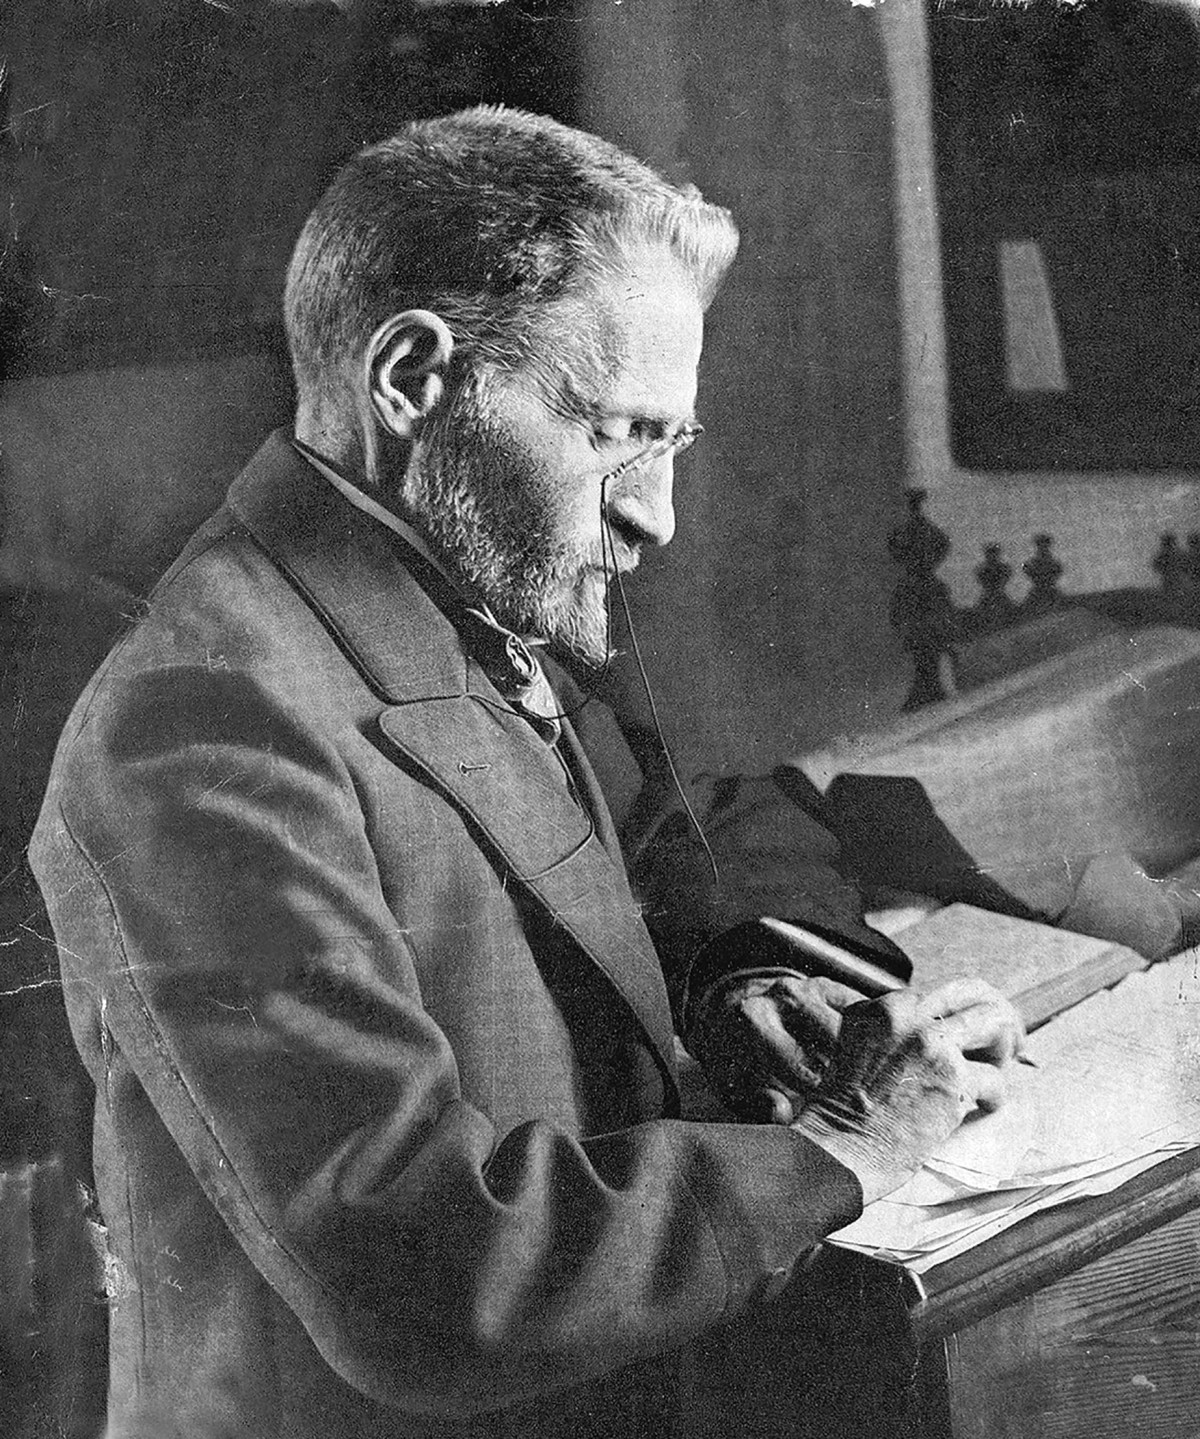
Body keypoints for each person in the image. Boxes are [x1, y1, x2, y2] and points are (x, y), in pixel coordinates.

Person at [30, 107, 1022, 1439]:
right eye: (621, 434)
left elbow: (676, 834)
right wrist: (843, 1141)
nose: (656, 515)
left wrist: (745, 982)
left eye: (674, 445)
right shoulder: (201, 724)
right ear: (412, 381)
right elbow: (426, 1278)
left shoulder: (467, 584)